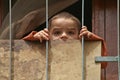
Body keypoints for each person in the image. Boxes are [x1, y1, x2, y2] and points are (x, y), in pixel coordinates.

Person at [23, 12, 107, 69]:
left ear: (79, 35)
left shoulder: (82, 49)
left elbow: (103, 63)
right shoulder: (43, 47)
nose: (64, 35)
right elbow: (20, 56)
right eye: (57, 33)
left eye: (70, 33)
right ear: (48, 35)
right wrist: (34, 39)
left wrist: (91, 40)